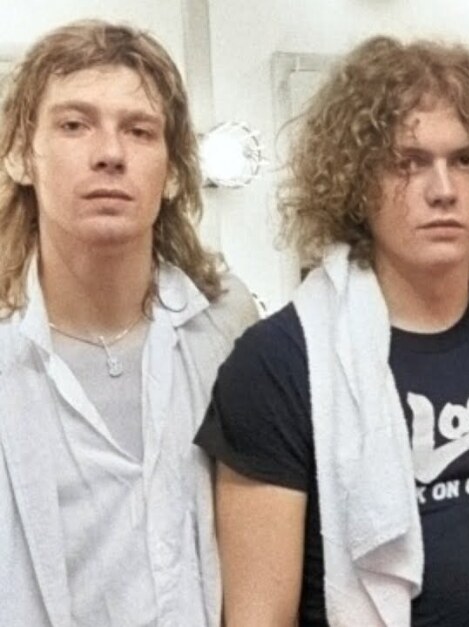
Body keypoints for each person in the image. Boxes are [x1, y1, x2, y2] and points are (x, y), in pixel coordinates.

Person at [194, 35, 469, 626]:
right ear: (355, 183)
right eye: (409, 162)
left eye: (465, 160)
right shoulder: (278, 364)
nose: (443, 190)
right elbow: (259, 618)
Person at [0, 20, 257, 625]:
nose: (110, 154)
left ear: (173, 171)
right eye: (74, 125)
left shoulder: (225, 323)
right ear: (20, 156)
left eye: (139, 131)